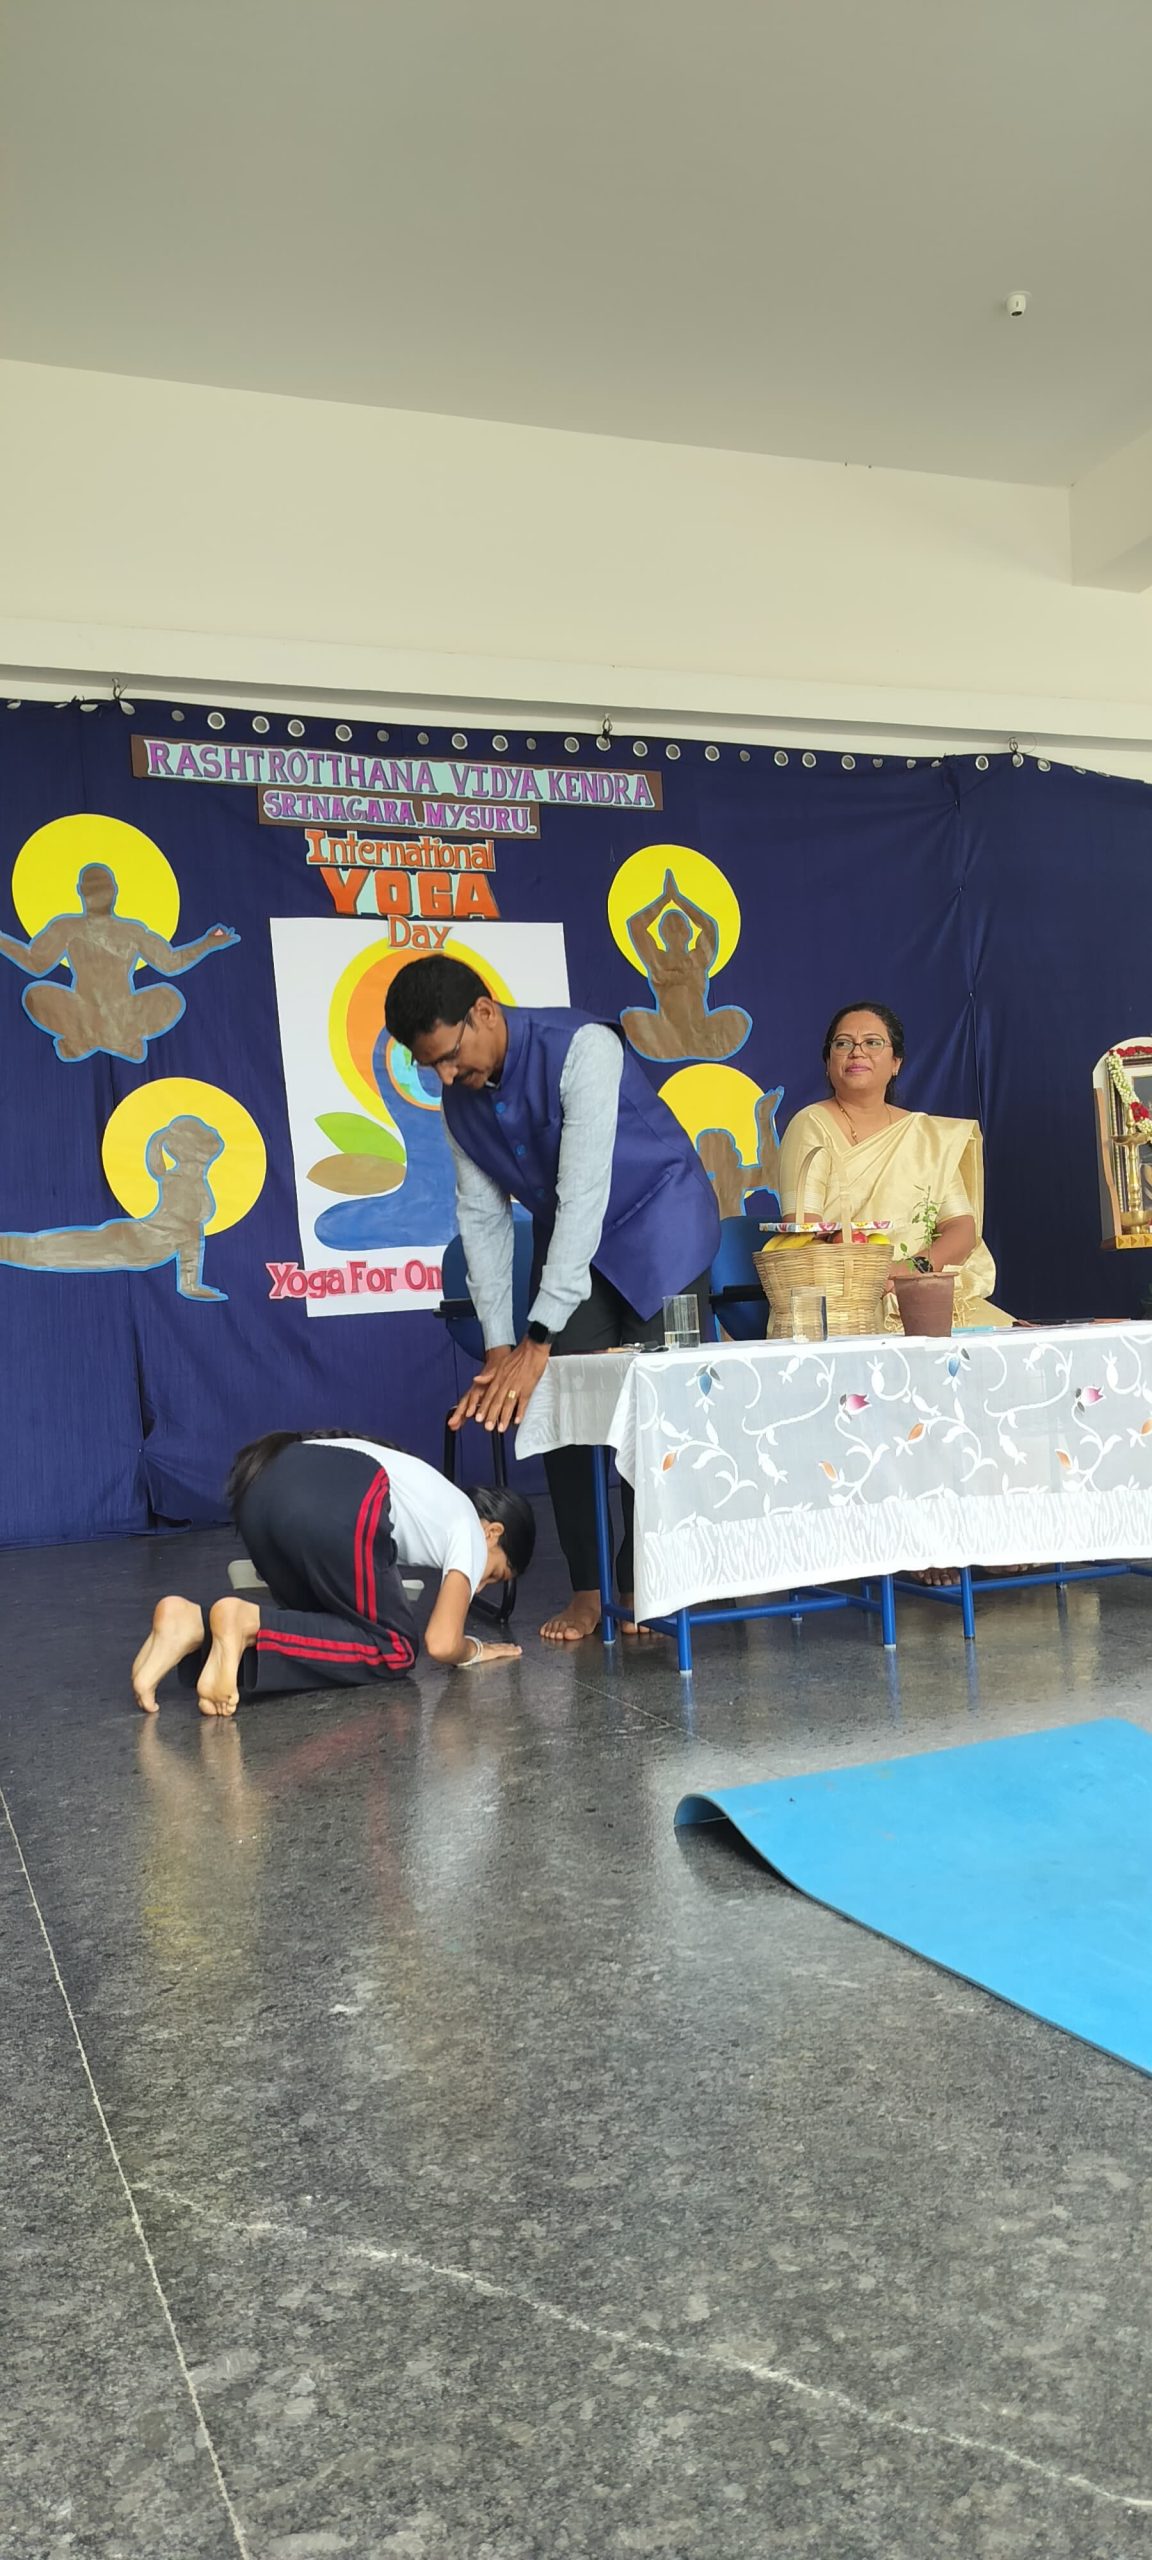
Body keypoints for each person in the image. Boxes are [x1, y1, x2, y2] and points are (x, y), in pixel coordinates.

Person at [383, 955, 721, 1642]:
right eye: (431, 1068)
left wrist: (537, 1337)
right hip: (577, 1244)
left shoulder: (585, 1049)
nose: (447, 1077)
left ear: (484, 1012)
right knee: (566, 1407)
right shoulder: (458, 1103)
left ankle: (648, 1581)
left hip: (661, 1223)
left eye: (449, 1056)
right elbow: (481, 1218)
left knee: (654, 1411)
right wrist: (505, 1346)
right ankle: (590, 1589)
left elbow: (584, 1194)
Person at [131, 1431, 534, 1716]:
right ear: (493, 1531)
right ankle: (246, 1619)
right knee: (394, 1648)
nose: (480, 1585)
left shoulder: (432, 1498)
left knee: (328, 1626)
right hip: (339, 1496)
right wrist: (476, 1650)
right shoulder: (468, 1524)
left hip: (262, 1490)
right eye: (495, 1573)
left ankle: (192, 1624)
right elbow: (442, 1643)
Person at [777, 1002, 1010, 1330]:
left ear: (896, 1062)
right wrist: (874, 1275)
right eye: (843, 1044)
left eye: (872, 1043)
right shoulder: (810, 1124)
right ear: (828, 1063)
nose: (857, 1052)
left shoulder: (924, 1134)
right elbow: (803, 1229)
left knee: (1011, 1349)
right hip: (845, 1301)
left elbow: (961, 1228)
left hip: (925, 1290)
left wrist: (911, 1270)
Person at [0, 863, 238, 1062]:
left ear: (114, 890)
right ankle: (112, 1040)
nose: (101, 894)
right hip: (82, 1012)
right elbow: (35, 963)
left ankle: (86, 1041)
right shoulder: (67, 928)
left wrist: (206, 944)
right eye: (95, 889)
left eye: (104, 888)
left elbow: (170, 963)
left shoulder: (131, 931)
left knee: (169, 998)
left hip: (123, 1013)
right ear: (81, 892)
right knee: (36, 995)